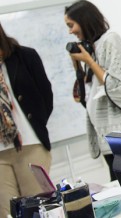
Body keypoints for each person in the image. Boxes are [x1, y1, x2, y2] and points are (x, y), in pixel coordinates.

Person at [64, 0, 121, 181]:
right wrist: (79, 65)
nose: (70, 31)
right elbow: (88, 95)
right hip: (107, 135)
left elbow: (119, 88)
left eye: (71, 25)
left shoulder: (111, 40)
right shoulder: (94, 47)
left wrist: (90, 62)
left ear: (84, 21)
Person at [0, 23, 53, 217]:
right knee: (6, 213)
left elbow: (46, 97)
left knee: (36, 209)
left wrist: (36, 125)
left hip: (30, 146)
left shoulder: (25, 56)